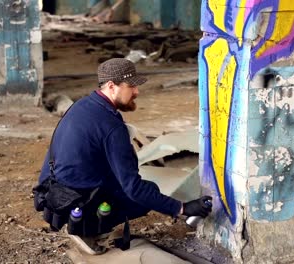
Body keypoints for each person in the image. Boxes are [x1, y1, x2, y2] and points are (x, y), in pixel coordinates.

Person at [36, 58, 212, 255]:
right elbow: (134, 189)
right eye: (131, 86)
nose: (136, 92)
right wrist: (182, 208)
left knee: (119, 181)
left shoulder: (83, 106)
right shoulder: (112, 127)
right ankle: (89, 229)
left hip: (52, 192)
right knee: (146, 193)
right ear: (112, 86)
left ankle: (82, 219)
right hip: (75, 202)